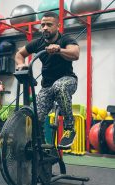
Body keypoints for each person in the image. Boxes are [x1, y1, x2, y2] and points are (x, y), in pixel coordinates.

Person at [15, 11, 80, 148]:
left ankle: (69, 129)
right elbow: (20, 54)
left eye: (49, 24)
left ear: (58, 26)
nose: (45, 27)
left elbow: (75, 54)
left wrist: (59, 50)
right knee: (34, 116)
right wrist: (21, 64)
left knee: (59, 86)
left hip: (67, 80)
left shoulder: (65, 39)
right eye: (43, 24)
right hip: (47, 87)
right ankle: (41, 145)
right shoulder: (37, 43)